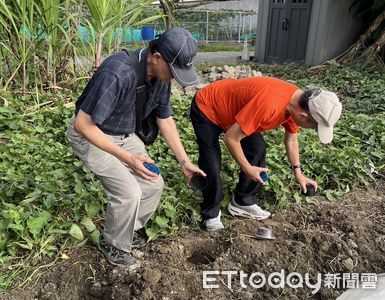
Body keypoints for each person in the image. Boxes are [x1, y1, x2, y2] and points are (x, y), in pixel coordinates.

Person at [67, 27, 205, 266]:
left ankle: (126, 230)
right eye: (174, 71)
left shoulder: (161, 76)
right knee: (129, 193)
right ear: (157, 57)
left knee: (153, 184)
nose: (174, 77)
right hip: (92, 134)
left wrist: (184, 161)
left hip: (124, 133)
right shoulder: (118, 71)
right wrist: (127, 158)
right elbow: (83, 124)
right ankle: (112, 243)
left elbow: (165, 118)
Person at [190, 77, 342, 231]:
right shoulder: (270, 105)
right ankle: (211, 214)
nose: (311, 129)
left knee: (257, 147)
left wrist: (298, 173)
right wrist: (248, 168)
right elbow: (231, 139)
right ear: (303, 116)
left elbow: (291, 141)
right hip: (208, 106)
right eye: (313, 127)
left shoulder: (295, 103)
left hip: (237, 112)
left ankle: (243, 202)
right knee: (212, 162)